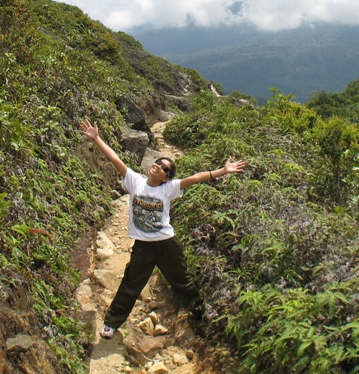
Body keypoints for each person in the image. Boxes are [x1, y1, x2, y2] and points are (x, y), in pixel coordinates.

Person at [80, 119, 246, 340]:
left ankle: (202, 318)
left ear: (167, 176)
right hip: (143, 246)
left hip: (167, 244)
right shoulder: (134, 181)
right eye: (158, 162)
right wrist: (97, 138)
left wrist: (223, 171)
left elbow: (195, 178)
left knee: (182, 282)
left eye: (164, 167)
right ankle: (111, 323)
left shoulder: (170, 188)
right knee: (131, 283)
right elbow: (114, 158)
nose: (158, 165)